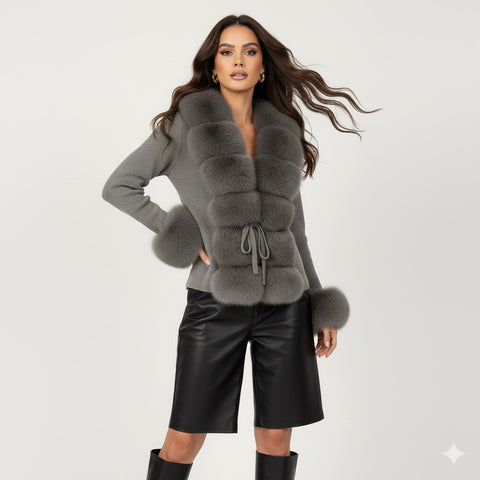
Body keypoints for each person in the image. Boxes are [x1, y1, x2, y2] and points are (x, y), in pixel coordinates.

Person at [102, 14, 379, 480]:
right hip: (213, 301)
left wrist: (317, 303)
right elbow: (119, 186)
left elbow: (296, 231)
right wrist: (183, 236)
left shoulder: (282, 130)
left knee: (276, 438)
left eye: (249, 51)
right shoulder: (183, 126)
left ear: (263, 67)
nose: (238, 61)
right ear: (213, 66)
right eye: (226, 52)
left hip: (285, 305)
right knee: (184, 437)